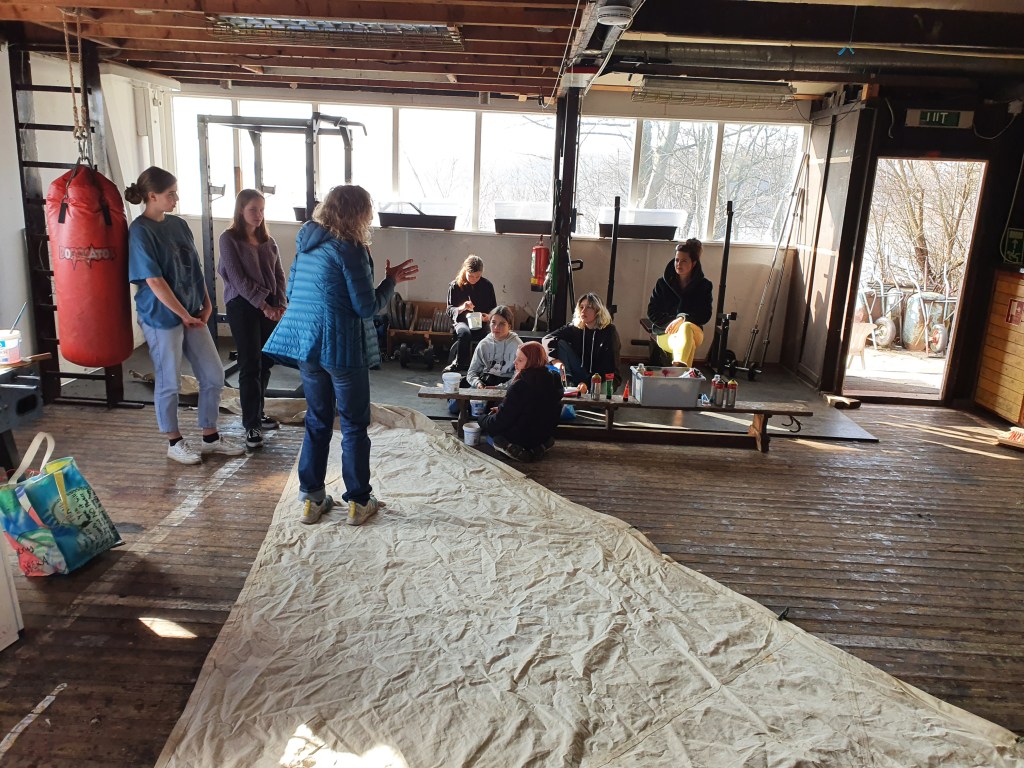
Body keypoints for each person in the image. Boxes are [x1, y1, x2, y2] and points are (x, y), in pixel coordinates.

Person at [262, 185, 418, 526]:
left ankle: (312, 498)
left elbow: (292, 292)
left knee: (317, 420)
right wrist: (390, 282)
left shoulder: (306, 245)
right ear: (359, 214)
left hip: (308, 347)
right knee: (353, 425)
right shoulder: (351, 248)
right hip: (342, 349)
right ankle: (359, 501)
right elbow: (366, 307)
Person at [126, 166, 244, 465]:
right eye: (170, 194)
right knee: (169, 380)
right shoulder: (140, 231)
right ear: (152, 196)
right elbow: (154, 280)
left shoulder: (178, 225)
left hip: (193, 313)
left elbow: (194, 267)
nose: (175, 199)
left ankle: (210, 437)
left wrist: (206, 304)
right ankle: (174, 441)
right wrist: (182, 313)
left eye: (176, 193)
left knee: (213, 375)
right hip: (161, 316)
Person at [218, 189, 287, 450]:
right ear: (240, 210)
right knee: (249, 364)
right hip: (242, 305)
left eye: (262, 210)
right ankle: (251, 425)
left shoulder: (268, 240)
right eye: (253, 210)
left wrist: (280, 304)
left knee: (265, 362)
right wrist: (264, 305)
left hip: (268, 306)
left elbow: (279, 274)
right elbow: (238, 279)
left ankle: (258, 412)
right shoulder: (229, 239)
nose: (258, 215)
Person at [478, 341, 563, 462]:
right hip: (543, 434)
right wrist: (501, 409)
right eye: (516, 358)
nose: (515, 362)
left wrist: (482, 419)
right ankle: (539, 448)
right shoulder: (554, 379)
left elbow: (500, 422)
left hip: (521, 436)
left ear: (532, 362)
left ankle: (512, 448)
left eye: (520, 360)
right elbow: (534, 409)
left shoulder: (521, 385)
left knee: (491, 435)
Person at [646, 238, 714, 368]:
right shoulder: (662, 284)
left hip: (694, 331)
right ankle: (681, 371)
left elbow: (705, 315)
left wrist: (682, 319)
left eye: (684, 261)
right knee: (688, 344)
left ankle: (678, 369)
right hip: (666, 332)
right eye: (677, 260)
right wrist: (673, 322)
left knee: (686, 327)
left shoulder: (704, 285)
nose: (678, 264)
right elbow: (652, 312)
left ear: (693, 263)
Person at [543, 292, 622, 389]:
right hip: (580, 372)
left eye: (589, 307)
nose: (583, 311)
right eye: (581, 307)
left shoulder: (609, 332)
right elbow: (548, 338)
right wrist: (555, 361)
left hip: (602, 377)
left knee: (598, 394)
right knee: (560, 343)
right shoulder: (575, 327)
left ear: (598, 311)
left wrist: (586, 384)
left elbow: (609, 368)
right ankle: (567, 383)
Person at [444, 255, 496, 373]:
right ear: (465, 271)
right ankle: (459, 364)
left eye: (478, 276)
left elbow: (493, 309)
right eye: (471, 276)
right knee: (464, 333)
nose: (474, 279)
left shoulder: (487, 286)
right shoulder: (455, 286)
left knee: (490, 335)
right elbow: (449, 310)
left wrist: (489, 317)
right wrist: (462, 308)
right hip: (462, 322)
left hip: (482, 322)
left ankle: (487, 367)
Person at [466, 305, 522, 389]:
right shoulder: (484, 344)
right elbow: (472, 372)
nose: (496, 327)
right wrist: (478, 384)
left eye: (502, 324)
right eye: (493, 322)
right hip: (485, 382)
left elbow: (520, 376)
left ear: (509, 326)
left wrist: (499, 388)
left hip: (507, 385)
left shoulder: (517, 345)